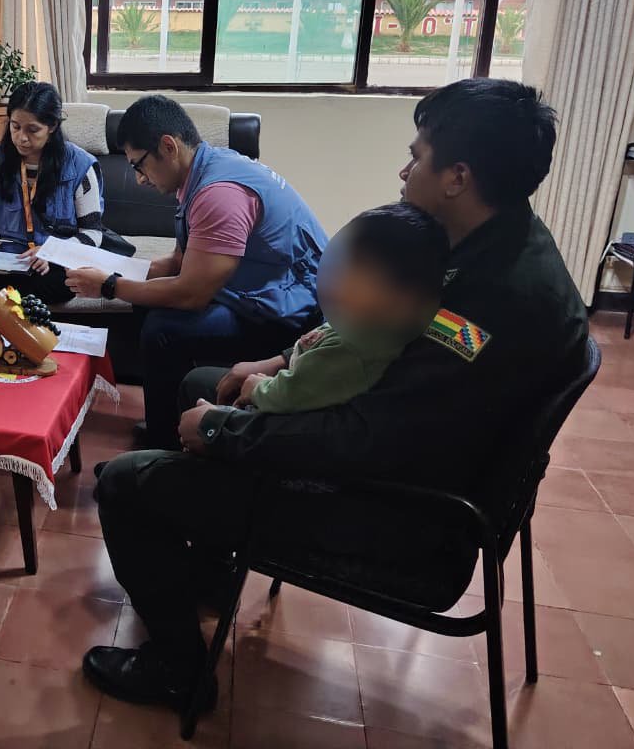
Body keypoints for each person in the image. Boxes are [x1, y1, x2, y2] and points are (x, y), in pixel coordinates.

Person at [81, 78, 589, 716]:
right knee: (202, 383)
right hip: (411, 462)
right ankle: (211, 570)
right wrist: (275, 365)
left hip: (400, 514)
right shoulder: (494, 247)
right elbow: (369, 346)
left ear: (458, 177)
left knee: (126, 483)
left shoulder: (490, 307)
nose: (403, 172)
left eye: (416, 157)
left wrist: (220, 432)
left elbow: (364, 437)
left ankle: (178, 669)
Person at [65, 95, 327, 448]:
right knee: (146, 304)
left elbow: (191, 294)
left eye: (139, 165)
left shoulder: (218, 193)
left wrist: (109, 286)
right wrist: (111, 267)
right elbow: (177, 263)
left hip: (289, 313)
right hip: (258, 290)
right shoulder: (206, 170)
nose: (139, 180)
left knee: (163, 329)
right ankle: (166, 418)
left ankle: (164, 447)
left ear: (168, 146)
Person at [236, 203, 448, 414]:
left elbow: (291, 394)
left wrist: (257, 388)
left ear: (401, 295)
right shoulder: (361, 323)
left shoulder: (352, 352)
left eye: (356, 269)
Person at [0, 82, 106, 313]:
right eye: (15, 127)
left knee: (42, 286)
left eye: (32, 130)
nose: (21, 138)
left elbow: (93, 234)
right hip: (10, 260)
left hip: (56, 262)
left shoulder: (81, 166)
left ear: (52, 126)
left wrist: (51, 252)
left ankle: (25, 336)